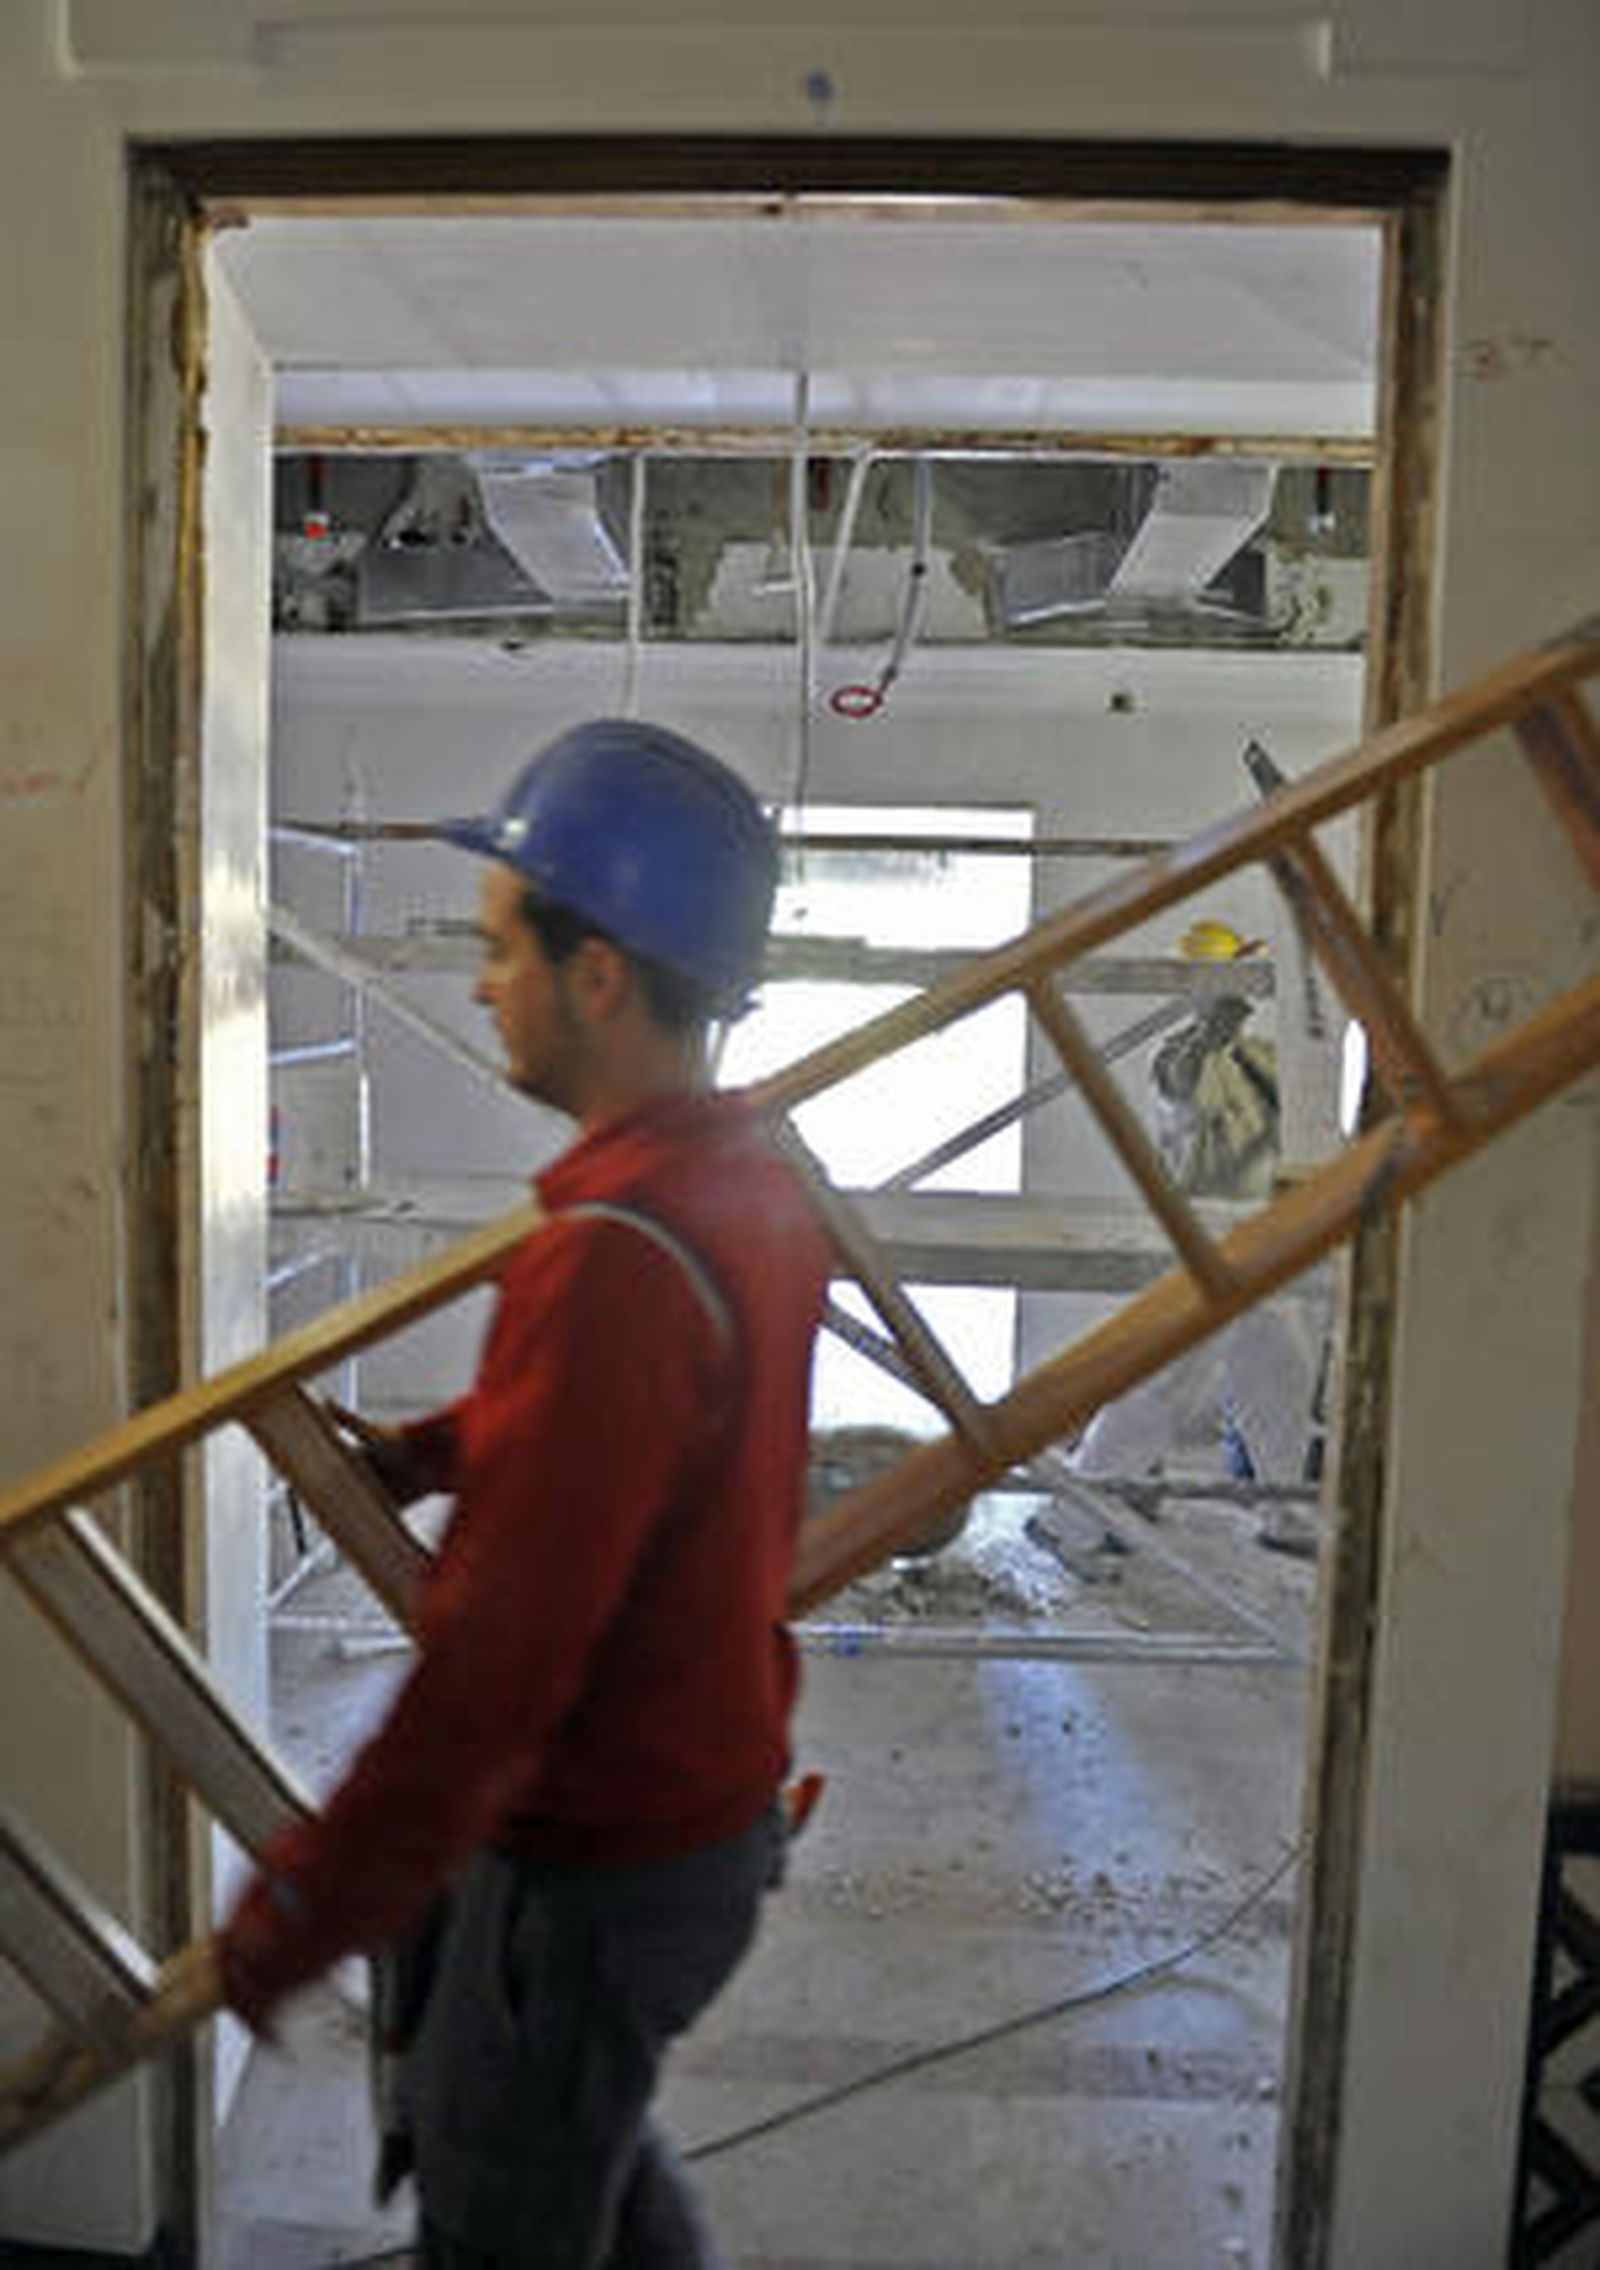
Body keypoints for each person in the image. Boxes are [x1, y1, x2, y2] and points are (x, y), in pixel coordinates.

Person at [217, 718, 832, 2267]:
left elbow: (489, 1670)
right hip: (702, 1821)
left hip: (597, 1867)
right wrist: (440, 1448)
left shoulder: (611, 1258)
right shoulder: (742, 1187)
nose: (482, 983)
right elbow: (642, 1437)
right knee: (592, 2181)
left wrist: (300, 1909)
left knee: (511, 2211)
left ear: (600, 973)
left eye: (504, 948)